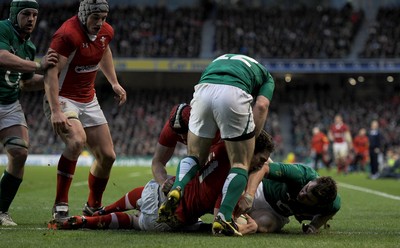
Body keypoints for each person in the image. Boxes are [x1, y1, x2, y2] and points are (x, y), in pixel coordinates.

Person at [49, 130, 274, 234]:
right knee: (135, 224)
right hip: (168, 223)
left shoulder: (223, 148)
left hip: (162, 196)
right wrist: (244, 224)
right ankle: (91, 220)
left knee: (142, 196)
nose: (260, 164)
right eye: (260, 160)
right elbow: (219, 217)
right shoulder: (236, 180)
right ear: (251, 151)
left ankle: (94, 215)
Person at [159, 54, 275, 236]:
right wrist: (252, 139)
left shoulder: (218, 61)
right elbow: (261, 105)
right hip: (234, 93)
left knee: (195, 156)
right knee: (240, 163)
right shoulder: (265, 76)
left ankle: (177, 188)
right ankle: (224, 216)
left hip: (203, 90)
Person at [43, 0, 127, 221]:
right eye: (95, 18)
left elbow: (104, 50)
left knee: (108, 156)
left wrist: (114, 82)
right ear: (83, 15)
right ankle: (60, 204)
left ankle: (93, 206)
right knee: (76, 141)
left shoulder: (106, 31)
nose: (100, 23)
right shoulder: (67, 35)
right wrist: (55, 110)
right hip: (62, 97)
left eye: (103, 18)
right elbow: (51, 73)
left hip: (88, 98)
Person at [0, 0, 58, 226]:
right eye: (26, 14)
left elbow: (24, 82)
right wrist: (38, 66)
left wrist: (51, 81)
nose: (31, 19)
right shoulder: (2, 29)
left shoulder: (29, 47)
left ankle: (1, 210)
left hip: (10, 103)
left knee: (19, 151)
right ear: (14, 14)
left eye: (35, 14)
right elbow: (2, 57)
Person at [239, 162, 341, 235]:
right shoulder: (301, 174)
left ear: (319, 204)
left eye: (308, 198)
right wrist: (249, 195)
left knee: (264, 225)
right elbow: (263, 168)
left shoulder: (332, 204)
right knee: (239, 192)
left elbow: (329, 212)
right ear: (310, 182)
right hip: (262, 190)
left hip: (278, 214)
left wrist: (314, 226)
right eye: (306, 189)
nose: (302, 194)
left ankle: (244, 221)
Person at [152, 103, 220, 195]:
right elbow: (157, 162)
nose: (182, 136)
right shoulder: (169, 129)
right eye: (178, 133)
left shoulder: (208, 125)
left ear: (194, 124)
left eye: (185, 131)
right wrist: (163, 182)